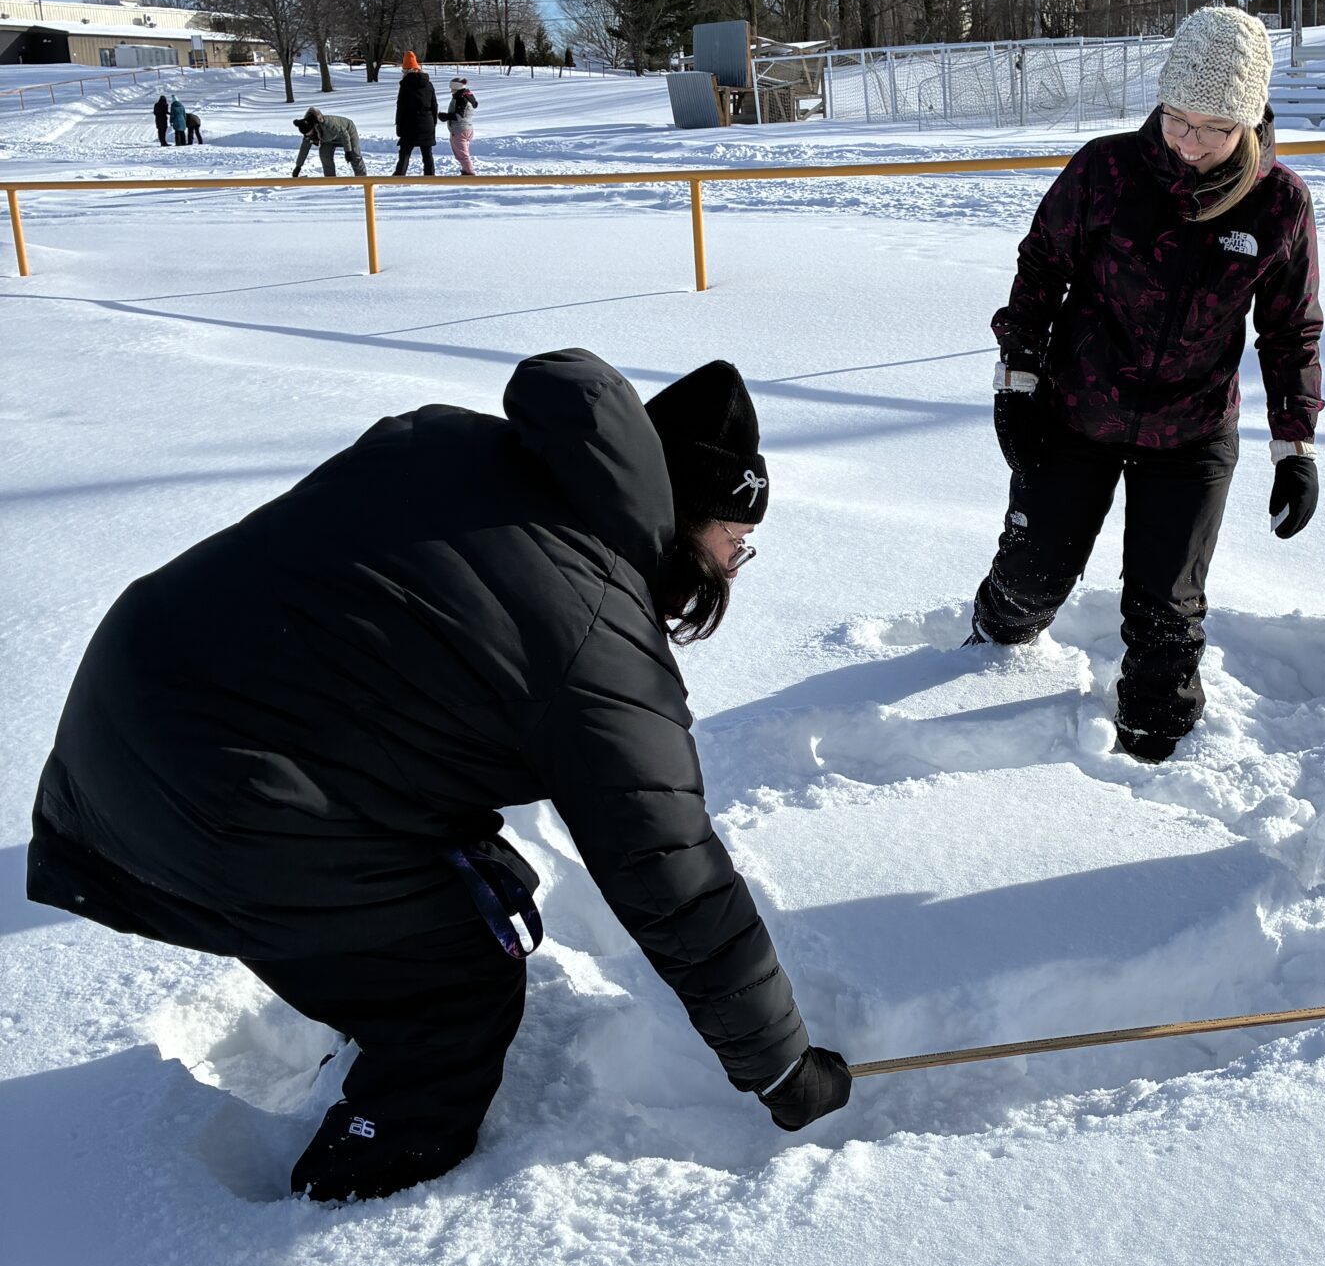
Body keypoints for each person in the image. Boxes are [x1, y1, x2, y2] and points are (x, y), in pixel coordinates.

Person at [26, 350, 851, 1202]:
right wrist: (781, 1065)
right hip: (211, 797)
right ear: (683, 520)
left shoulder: (451, 444)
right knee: (458, 983)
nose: (731, 568)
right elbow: (671, 873)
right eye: (733, 543)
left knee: (469, 876)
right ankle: (357, 1191)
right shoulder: (593, 630)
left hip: (125, 714)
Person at [968, 5, 1323, 761]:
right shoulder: (1107, 170)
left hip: (1192, 432)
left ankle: (1156, 753)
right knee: (1034, 575)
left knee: (1168, 608)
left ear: (1250, 122)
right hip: (1077, 411)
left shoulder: (1279, 203)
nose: (1188, 142)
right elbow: (1042, 270)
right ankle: (985, 653)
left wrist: (1295, 446)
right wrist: (1017, 379)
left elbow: (1289, 331)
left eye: (1214, 128)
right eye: (1177, 119)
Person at [394, 48, 439, 177]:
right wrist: (433, 122)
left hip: (410, 122)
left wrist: (399, 125)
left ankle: (399, 175)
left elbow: (401, 107)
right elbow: (434, 105)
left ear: (406, 70)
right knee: (427, 152)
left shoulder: (405, 85)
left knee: (405, 151)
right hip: (427, 121)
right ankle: (430, 176)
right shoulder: (428, 84)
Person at [291, 107, 368, 179]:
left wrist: (348, 151)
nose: (308, 136)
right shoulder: (309, 135)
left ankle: (362, 178)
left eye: (310, 133)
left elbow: (344, 134)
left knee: (354, 155)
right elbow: (304, 149)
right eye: (306, 135)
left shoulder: (328, 124)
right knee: (324, 155)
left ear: (313, 127)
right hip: (329, 139)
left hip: (348, 132)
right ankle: (330, 179)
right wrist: (298, 166)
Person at [442, 73, 478, 176]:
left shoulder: (460, 98)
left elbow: (459, 115)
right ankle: (466, 171)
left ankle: (470, 174)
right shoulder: (468, 95)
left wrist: (445, 116)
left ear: (456, 87)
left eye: (452, 88)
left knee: (462, 155)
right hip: (468, 128)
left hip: (459, 130)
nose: (451, 91)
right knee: (463, 154)